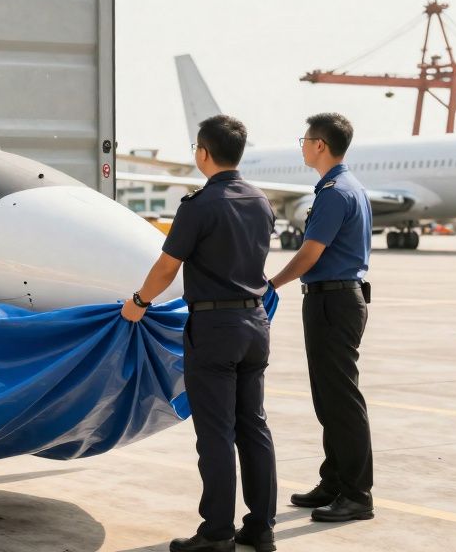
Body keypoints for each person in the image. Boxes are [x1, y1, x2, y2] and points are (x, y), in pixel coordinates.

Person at [122, 115, 277, 552]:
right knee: (254, 428)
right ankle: (261, 528)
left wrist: (139, 302)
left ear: (202, 153)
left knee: (216, 433)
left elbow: (167, 265)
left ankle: (216, 534)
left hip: (214, 328)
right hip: (255, 323)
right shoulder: (260, 200)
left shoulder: (199, 205)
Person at [268, 112, 375, 523]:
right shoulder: (349, 186)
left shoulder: (333, 191)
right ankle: (334, 481)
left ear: (320, 145)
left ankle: (356, 495)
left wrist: (271, 283)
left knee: (341, 401)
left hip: (333, 301)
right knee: (329, 398)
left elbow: (310, 253)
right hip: (337, 298)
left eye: (305, 138)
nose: (302, 145)